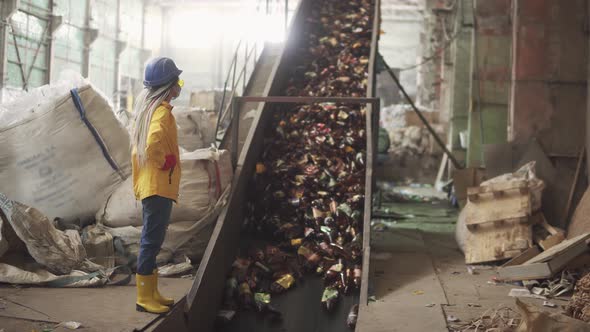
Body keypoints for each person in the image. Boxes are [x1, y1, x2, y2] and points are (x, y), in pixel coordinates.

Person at [132, 57, 183, 314]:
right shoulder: (161, 112)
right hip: (158, 186)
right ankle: (143, 297)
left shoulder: (151, 109)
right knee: (151, 242)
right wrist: (165, 161)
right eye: (178, 82)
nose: (180, 87)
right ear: (170, 85)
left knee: (153, 239)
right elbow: (152, 145)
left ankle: (151, 292)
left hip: (154, 185)